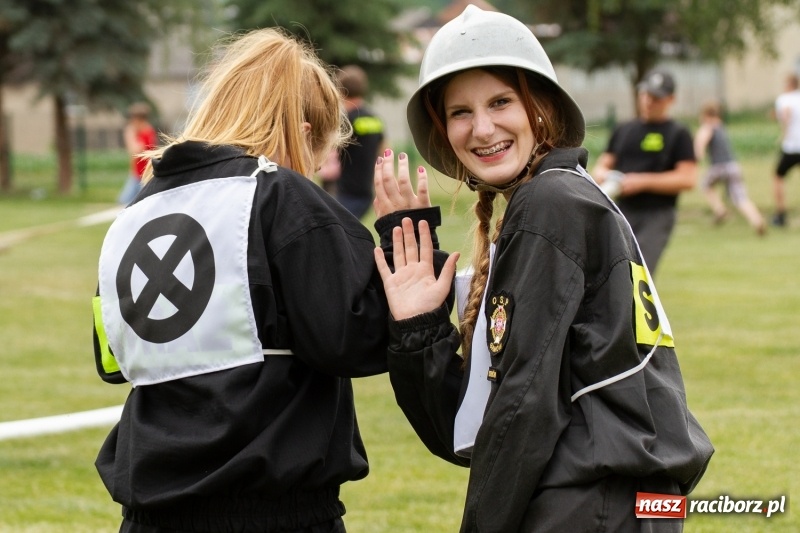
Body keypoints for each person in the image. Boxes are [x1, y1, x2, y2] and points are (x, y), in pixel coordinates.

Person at [373, 6, 713, 532]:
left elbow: (522, 407)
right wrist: (421, 327)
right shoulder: (561, 197)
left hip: (593, 502)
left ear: (541, 108)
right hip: (613, 500)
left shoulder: (551, 203)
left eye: (501, 101)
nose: (482, 128)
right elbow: (470, 427)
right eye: (460, 112)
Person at [91, 27, 443, 533]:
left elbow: (112, 361)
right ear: (300, 128)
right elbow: (354, 337)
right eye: (320, 144)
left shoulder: (134, 215)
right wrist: (401, 241)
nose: (318, 163)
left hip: (150, 515)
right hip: (274, 512)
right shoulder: (280, 198)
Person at [592, 68, 697, 274]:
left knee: (640, 272)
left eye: (656, 98)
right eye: (645, 95)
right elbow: (602, 166)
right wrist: (608, 177)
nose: (649, 102)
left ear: (670, 99)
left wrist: (642, 182)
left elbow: (688, 178)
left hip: (657, 214)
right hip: (621, 210)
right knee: (611, 271)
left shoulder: (678, 133)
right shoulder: (624, 129)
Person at [694, 100, 766, 235]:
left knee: (705, 185)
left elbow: (700, 144)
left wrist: (697, 156)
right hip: (733, 166)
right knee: (741, 198)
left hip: (718, 167)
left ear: (705, 115)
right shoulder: (721, 126)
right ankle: (757, 220)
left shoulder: (707, 127)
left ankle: (719, 209)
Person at [334, 65, 386, 219]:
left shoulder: (346, 121)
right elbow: (384, 150)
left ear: (340, 91)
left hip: (345, 193)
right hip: (367, 192)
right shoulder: (374, 119)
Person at [770, 73, 800, 227]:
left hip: (792, 146)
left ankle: (781, 214)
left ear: (789, 84)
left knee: (778, 176)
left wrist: (783, 134)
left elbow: (787, 113)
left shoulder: (784, 99)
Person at [118, 102, 158, 205]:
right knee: (128, 201)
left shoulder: (146, 133)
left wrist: (129, 135)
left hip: (142, 175)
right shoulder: (142, 132)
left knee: (124, 201)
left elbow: (136, 150)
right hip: (137, 174)